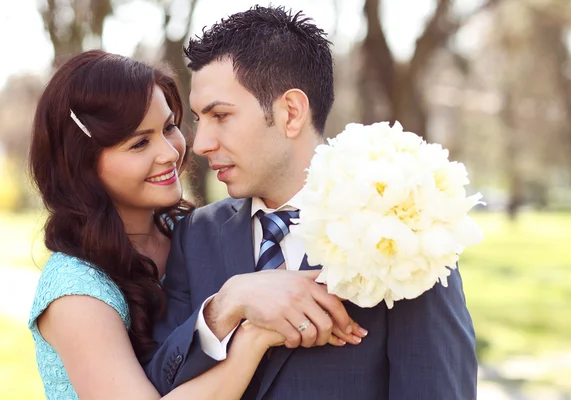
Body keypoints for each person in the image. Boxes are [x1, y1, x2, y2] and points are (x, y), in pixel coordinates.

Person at [145, 5, 478, 400]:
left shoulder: (407, 228)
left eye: (221, 115)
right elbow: (156, 383)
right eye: (200, 119)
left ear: (291, 112)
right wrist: (225, 306)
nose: (200, 144)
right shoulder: (194, 235)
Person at [27, 50, 355, 400]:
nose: (171, 152)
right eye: (139, 143)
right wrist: (249, 325)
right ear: (83, 164)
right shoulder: (76, 290)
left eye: (169, 127)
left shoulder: (195, 231)